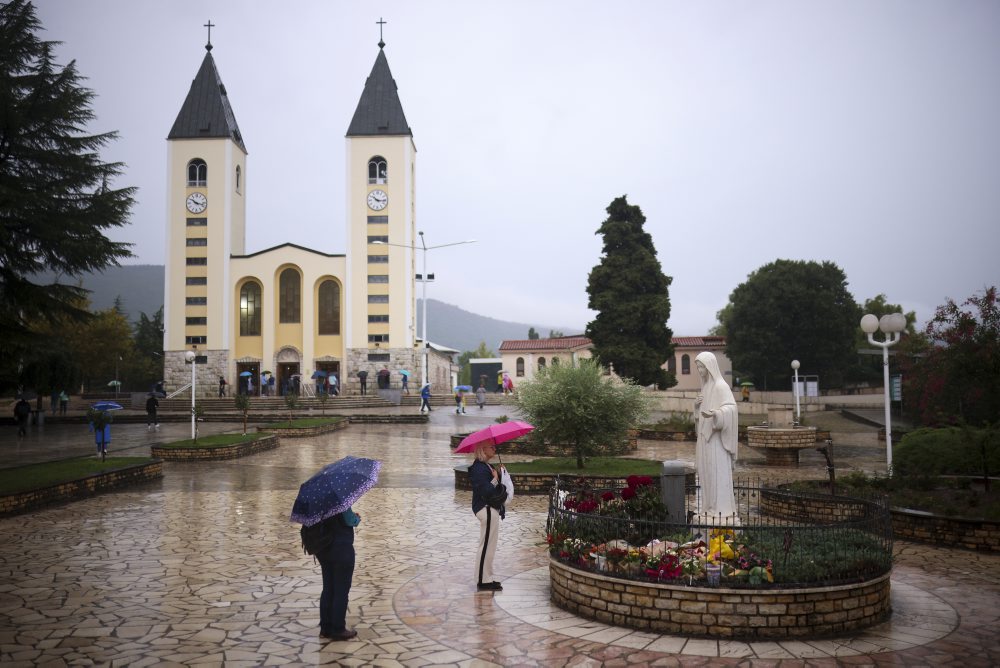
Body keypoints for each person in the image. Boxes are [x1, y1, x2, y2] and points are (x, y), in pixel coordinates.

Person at [694, 351, 739, 520]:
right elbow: (699, 415)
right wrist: (696, 407)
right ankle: (709, 507)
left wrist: (718, 414)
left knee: (716, 473)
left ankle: (721, 510)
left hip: (717, 442)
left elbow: (731, 409)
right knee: (707, 475)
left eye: (701, 366)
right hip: (705, 439)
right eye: (698, 367)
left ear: (710, 366)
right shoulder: (705, 387)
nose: (699, 370)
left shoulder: (721, 386)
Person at [468, 442, 511, 591]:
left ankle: (487, 577)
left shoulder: (487, 466)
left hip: (491, 509)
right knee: (486, 546)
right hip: (485, 509)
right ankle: (482, 580)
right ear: (482, 449)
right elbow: (486, 491)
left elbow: (494, 487)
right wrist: (494, 479)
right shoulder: (478, 468)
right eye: (491, 447)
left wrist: (499, 475)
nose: (495, 449)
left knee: (490, 546)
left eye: (494, 447)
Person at [313, 508, 361, 641]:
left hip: (324, 549)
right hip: (341, 548)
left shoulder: (317, 499)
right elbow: (350, 520)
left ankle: (325, 628)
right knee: (341, 590)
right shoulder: (340, 500)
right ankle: (338, 628)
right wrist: (357, 518)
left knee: (328, 588)